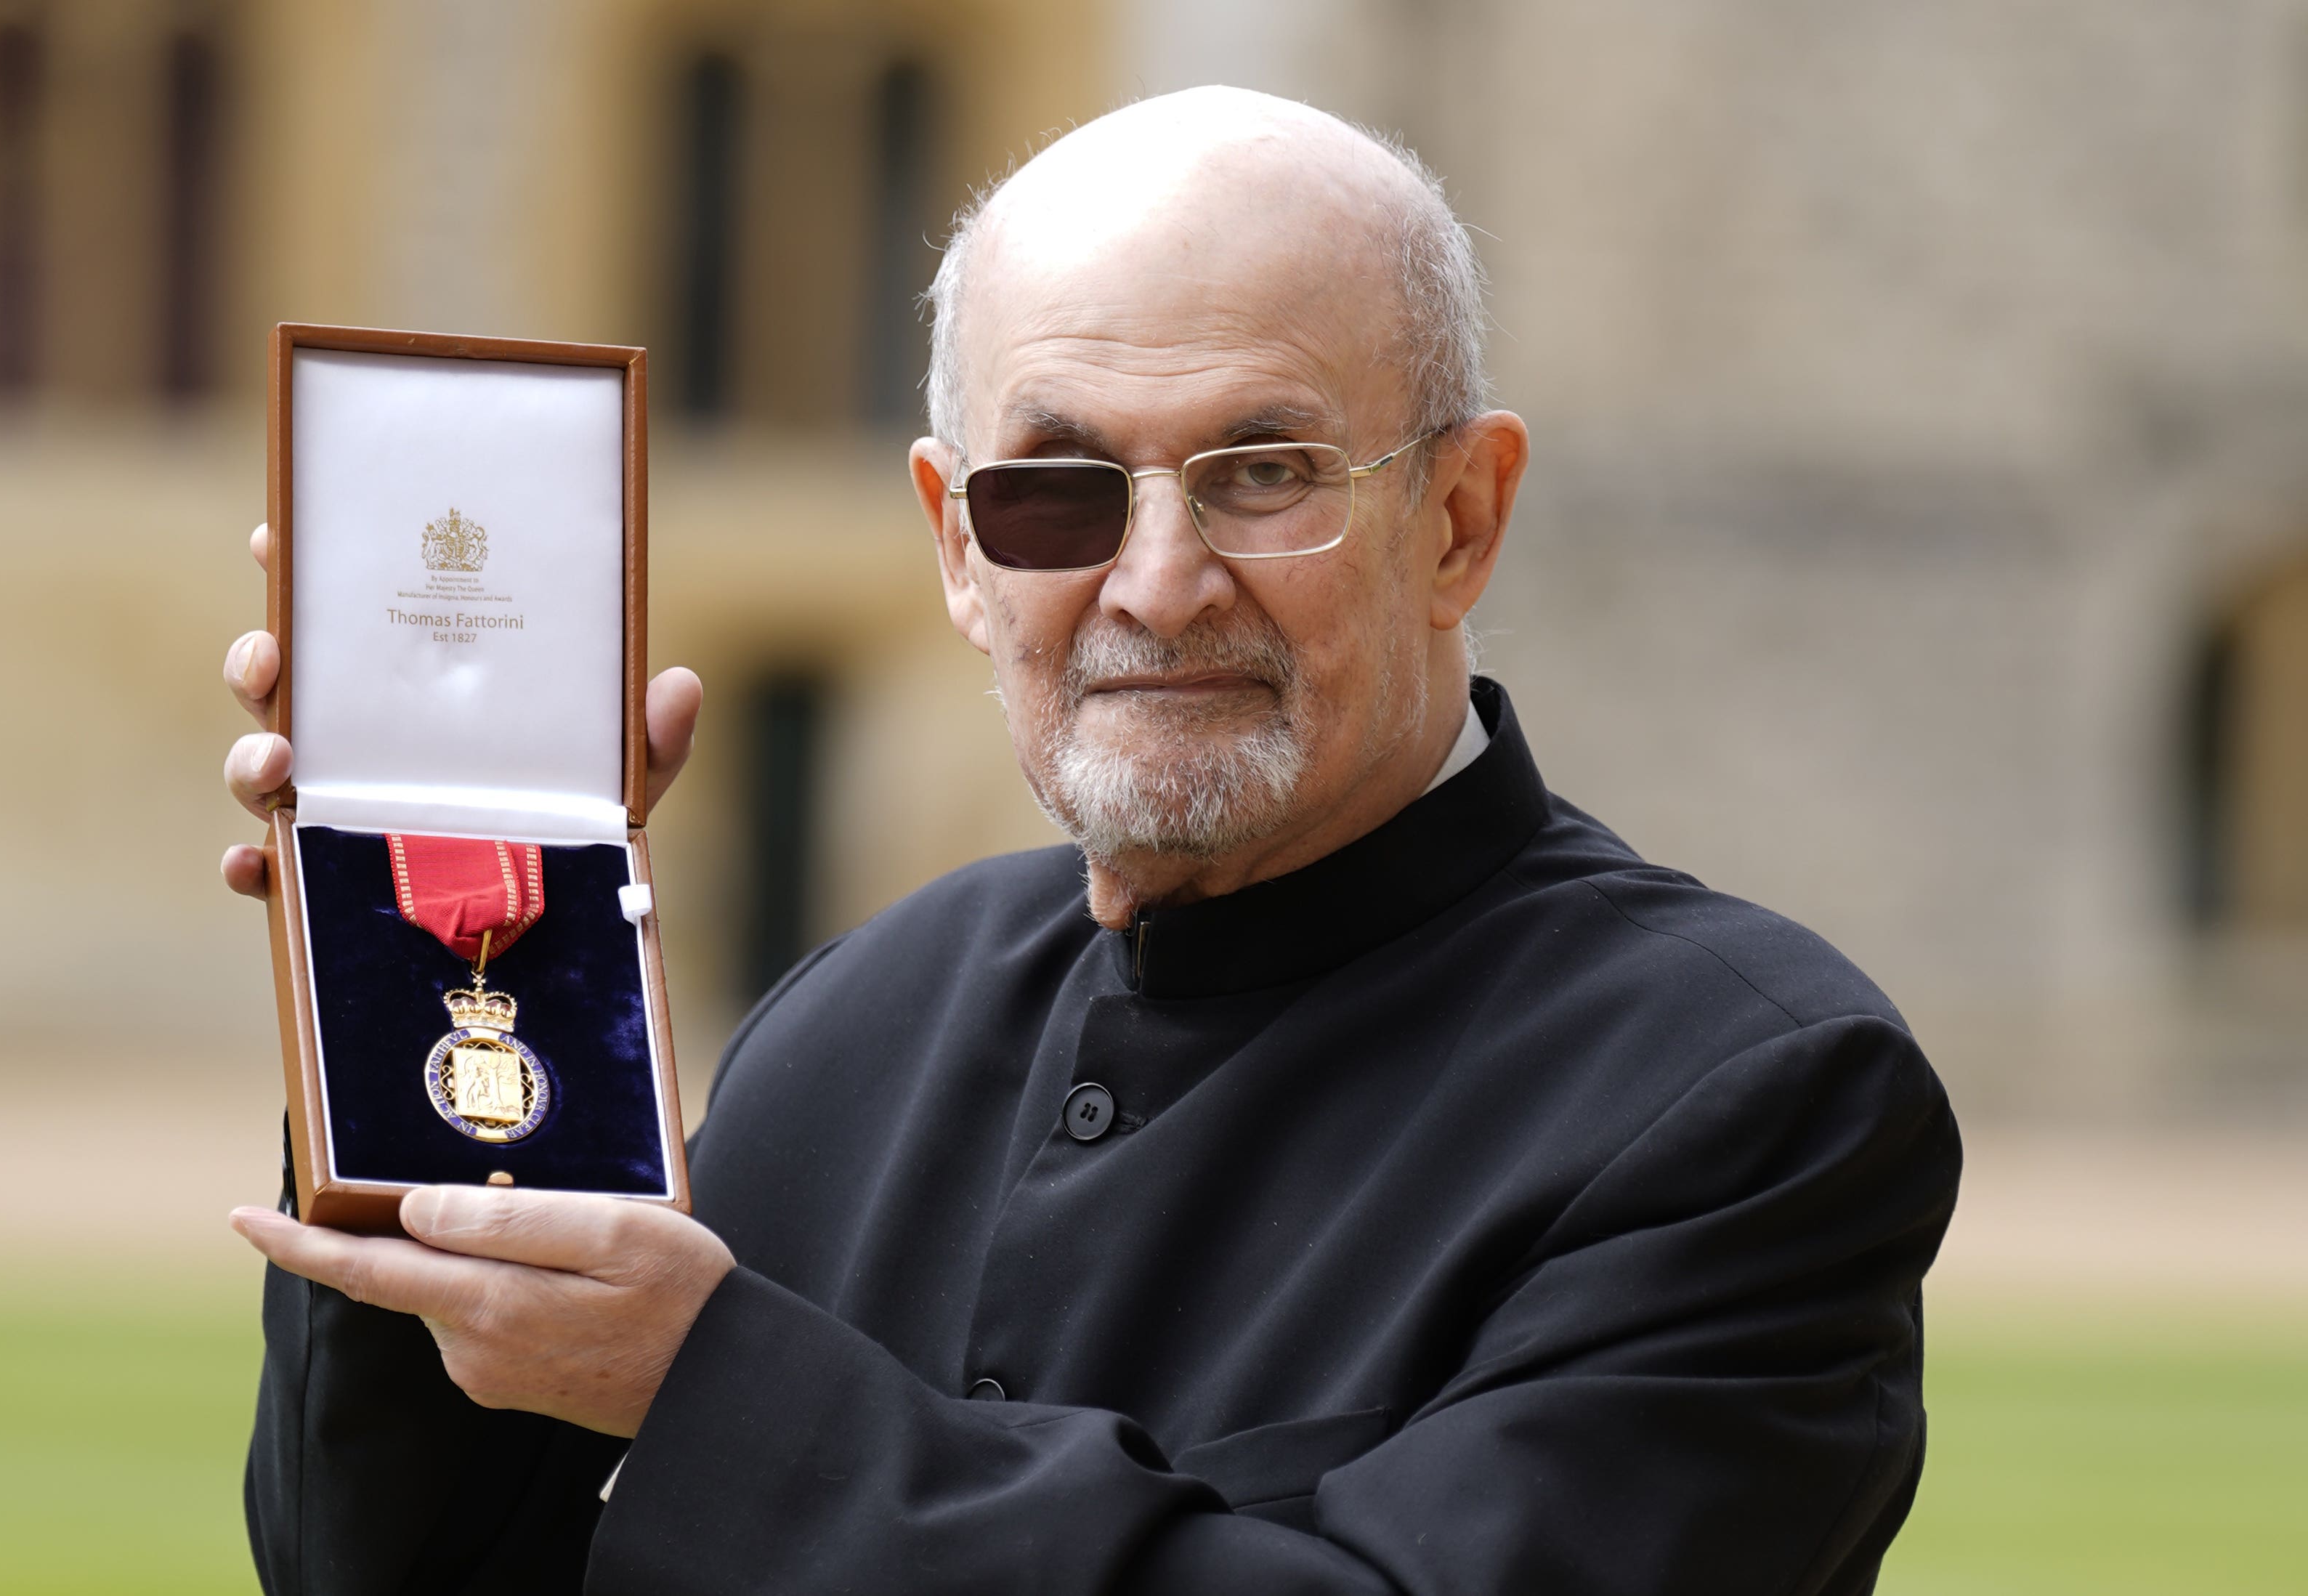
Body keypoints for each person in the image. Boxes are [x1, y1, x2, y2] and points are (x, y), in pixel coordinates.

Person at [219, 87, 1959, 1595]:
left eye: (1262, 470)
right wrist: (439, 971)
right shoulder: (862, 1016)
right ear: (957, 548)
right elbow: (405, 1575)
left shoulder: (1745, 1094)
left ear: (1459, 518)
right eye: (1051, 487)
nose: (1152, 580)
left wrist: (720, 1392)